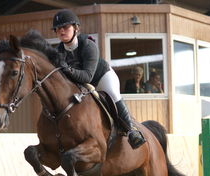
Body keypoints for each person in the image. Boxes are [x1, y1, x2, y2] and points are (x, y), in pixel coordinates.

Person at [52, 9, 145, 149]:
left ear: (76, 28)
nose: (61, 31)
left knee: (113, 95)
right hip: (79, 85)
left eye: (65, 27)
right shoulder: (58, 52)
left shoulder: (88, 45)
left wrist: (67, 69)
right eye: (58, 29)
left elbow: (87, 76)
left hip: (101, 78)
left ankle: (132, 131)